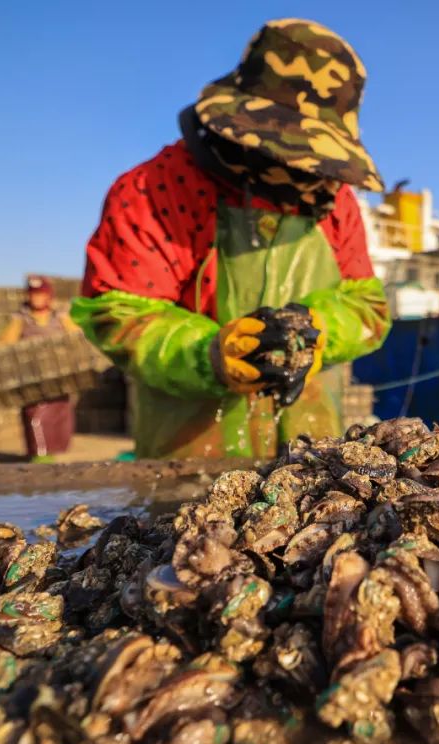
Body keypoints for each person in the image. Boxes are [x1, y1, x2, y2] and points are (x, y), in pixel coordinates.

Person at [73, 18, 391, 460]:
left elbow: (367, 307)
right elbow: (119, 313)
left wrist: (316, 332)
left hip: (316, 456)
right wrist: (210, 355)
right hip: (189, 457)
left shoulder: (334, 201)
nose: (299, 171)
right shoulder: (154, 188)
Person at [0, 276, 81, 461]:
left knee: (59, 417)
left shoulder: (60, 316)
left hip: (58, 377)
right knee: (35, 417)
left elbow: (76, 337)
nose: (36, 298)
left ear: (48, 296)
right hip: (33, 378)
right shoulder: (21, 318)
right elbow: (5, 343)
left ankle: (55, 454)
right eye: (33, 294)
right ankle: (38, 454)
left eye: (40, 294)